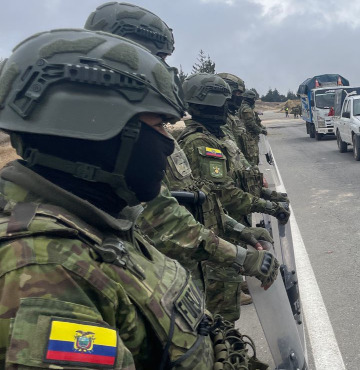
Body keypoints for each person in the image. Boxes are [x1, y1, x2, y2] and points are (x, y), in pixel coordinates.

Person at [0, 28, 274, 369]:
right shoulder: (45, 271)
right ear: (95, 131)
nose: (167, 142)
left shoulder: (101, 220)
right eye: (158, 124)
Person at [84, 2, 275, 295]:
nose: (163, 69)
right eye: (158, 58)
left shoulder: (138, 131)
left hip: (181, 283)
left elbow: (185, 204)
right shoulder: (99, 141)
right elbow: (160, 218)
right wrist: (240, 255)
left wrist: (240, 232)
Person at [178, 73, 290, 322]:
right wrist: (267, 205)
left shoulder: (216, 135)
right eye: (222, 104)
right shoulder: (200, 142)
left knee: (227, 304)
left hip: (222, 228)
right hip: (212, 239)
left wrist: (267, 196)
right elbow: (223, 195)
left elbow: (236, 178)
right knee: (221, 314)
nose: (227, 109)